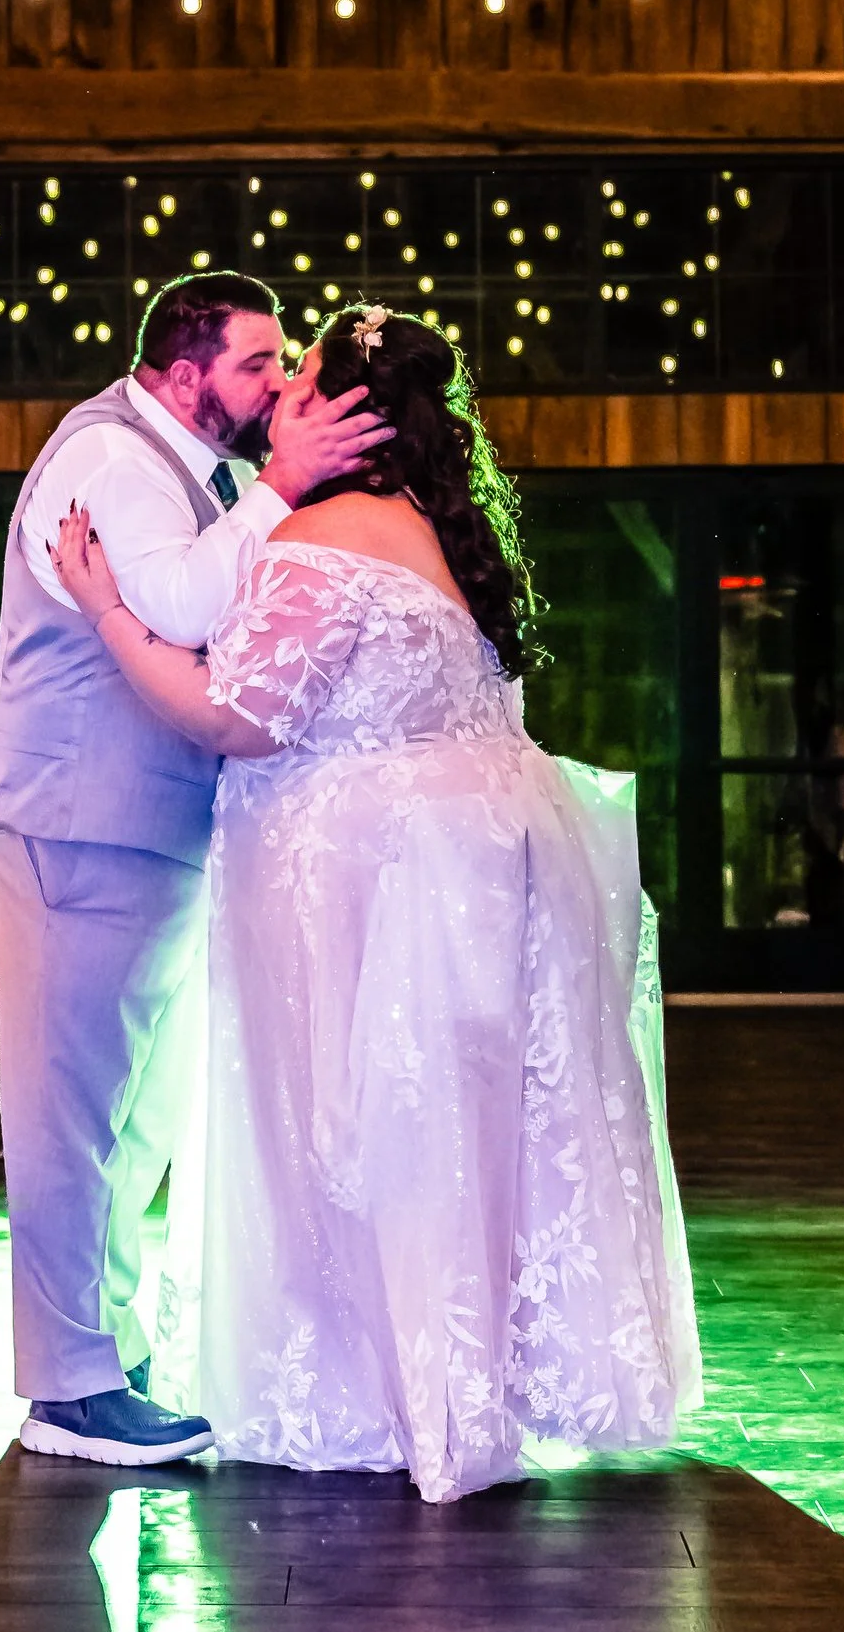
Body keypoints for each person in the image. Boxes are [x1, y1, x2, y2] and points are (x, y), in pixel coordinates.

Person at [50, 305, 700, 1504]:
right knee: (458, 1133)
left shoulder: (321, 539)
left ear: (346, 414)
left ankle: (382, 1396)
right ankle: (458, 1390)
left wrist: (107, 610)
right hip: (474, 858)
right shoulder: (438, 530)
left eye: (297, 380)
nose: (277, 398)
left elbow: (232, 717)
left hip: (368, 880)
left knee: (365, 1130)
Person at [0, 270, 389, 1468]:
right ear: (181, 372)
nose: (278, 382)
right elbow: (177, 605)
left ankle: (109, 1352)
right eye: (259, 363)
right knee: (68, 1120)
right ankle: (67, 1392)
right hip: (76, 825)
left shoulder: (183, 468)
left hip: (138, 828)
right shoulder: (114, 457)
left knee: (133, 1123)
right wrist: (282, 487)